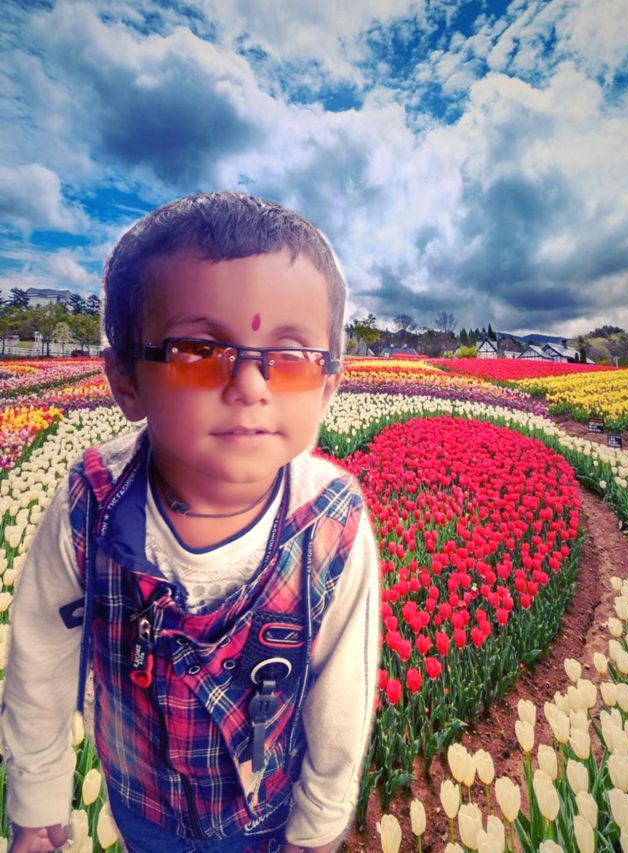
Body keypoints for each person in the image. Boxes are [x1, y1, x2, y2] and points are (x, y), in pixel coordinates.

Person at [1, 192, 379, 853]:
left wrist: (319, 828)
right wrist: (37, 797)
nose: (252, 385)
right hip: (141, 805)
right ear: (125, 380)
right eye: (200, 350)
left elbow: (342, 693)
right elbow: (41, 654)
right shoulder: (92, 503)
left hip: (263, 817)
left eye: (291, 355)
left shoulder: (331, 524)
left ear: (328, 385)